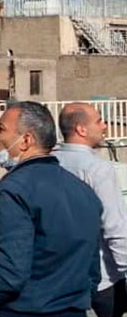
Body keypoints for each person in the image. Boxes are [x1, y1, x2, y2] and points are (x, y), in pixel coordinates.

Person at [0, 101, 102, 317]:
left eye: (0, 128)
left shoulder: (14, 190)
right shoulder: (83, 191)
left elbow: (9, 275)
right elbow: (92, 272)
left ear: (26, 140)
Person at [54, 103, 127, 317]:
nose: (104, 126)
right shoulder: (98, 169)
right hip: (103, 276)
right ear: (81, 129)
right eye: (99, 121)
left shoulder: (51, 162)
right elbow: (114, 226)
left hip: (61, 273)